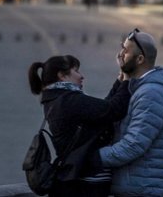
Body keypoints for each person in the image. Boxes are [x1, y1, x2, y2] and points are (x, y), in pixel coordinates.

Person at [28, 54, 131, 197]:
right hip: (87, 182)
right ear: (62, 76)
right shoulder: (69, 100)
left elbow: (103, 111)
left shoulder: (55, 100)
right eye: (76, 71)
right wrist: (127, 78)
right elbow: (114, 110)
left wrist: (121, 79)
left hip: (74, 178)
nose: (81, 76)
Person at [100, 29, 163, 197]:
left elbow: (134, 145)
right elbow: (106, 111)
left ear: (139, 59)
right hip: (135, 187)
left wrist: (92, 158)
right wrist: (122, 76)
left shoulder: (151, 93)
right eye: (121, 48)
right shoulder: (137, 88)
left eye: (126, 51)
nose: (120, 54)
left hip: (142, 189)